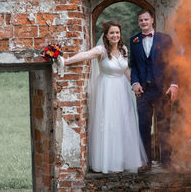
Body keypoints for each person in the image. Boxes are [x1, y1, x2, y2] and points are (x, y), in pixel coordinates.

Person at [63, 21, 147, 173]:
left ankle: (125, 160)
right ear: (106, 36)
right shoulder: (101, 50)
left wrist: (134, 84)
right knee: (109, 124)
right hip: (107, 90)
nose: (115, 35)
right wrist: (66, 61)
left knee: (124, 123)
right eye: (112, 33)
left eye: (117, 32)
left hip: (122, 90)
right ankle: (109, 162)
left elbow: (125, 69)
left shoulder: (123, 49)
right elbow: (85, 55)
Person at [130, 9, 178, 171]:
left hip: (162, 89)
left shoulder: (165, 39)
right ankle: (146, 162)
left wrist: (174, 84)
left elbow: (173, 62)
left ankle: (166, 161)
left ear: (152, 21)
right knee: (143, 126)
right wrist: (135, 82)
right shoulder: (134, 40)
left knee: (164, 125)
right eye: (140, 20)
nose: (143, 22)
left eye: (146, 19)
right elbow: (134, 65)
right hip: (143, 92)